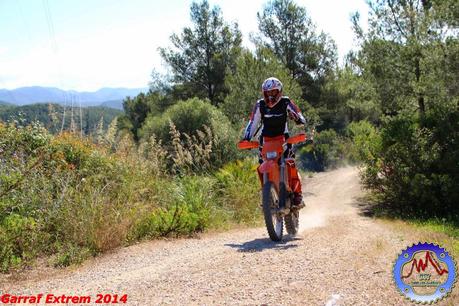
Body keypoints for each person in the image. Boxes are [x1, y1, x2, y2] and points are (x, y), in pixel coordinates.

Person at [243, 77, 306, 207]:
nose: (270, 96)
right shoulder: (260, 104)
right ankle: (267, 196)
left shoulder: (286, 102)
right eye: (267, 93)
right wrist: (246, 138)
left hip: (283, 138)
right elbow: (253, 123)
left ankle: (297, 194)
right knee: (262, 165)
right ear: (264, 93)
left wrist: (298, 119)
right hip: (266, 141)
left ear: (279, 91)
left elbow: (299, 115)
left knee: (290, 162)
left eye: (273, 92)